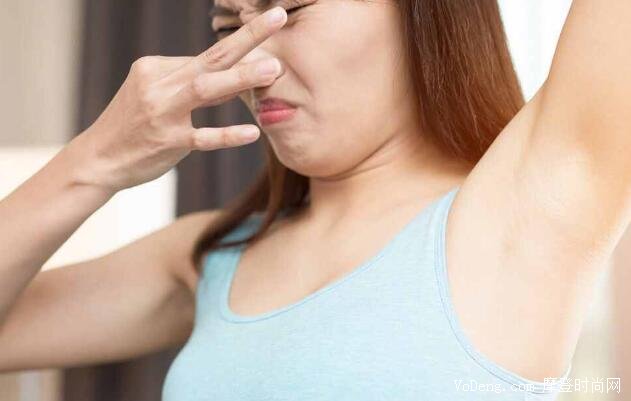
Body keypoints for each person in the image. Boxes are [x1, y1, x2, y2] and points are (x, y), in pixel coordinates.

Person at [0, 0, 629, 399]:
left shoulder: (524, 213)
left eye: (290, 10)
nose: (251, 62)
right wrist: (95, 160)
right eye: (229, 28)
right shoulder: (209, 256)